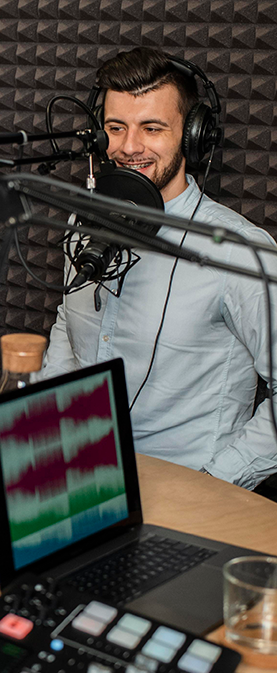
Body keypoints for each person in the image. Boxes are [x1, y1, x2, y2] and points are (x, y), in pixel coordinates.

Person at [42, 47, 277, 490]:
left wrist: (215, 484)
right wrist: (49, 442)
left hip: (188, 497)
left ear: (192, 136)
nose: (129, 147)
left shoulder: (240, 252)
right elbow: (66, 328)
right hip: (85, 485)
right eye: (116, 128)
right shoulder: (83, 222)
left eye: (152, 128)